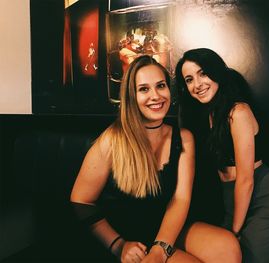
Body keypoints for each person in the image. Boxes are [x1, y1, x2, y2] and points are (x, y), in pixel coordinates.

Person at [71, 55, 241, 263]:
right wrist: (118, 245)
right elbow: (80, 200)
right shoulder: (111, 140)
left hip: (168, 226)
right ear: (131, 95)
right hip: (129, 234)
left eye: (161, 86)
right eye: (144, 89)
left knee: (228, 247)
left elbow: (180, 199)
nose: (156, 96)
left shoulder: (184, 137)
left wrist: (161, 248)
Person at [175, 48, 269, 263]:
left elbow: (246, 179)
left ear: (216, 73)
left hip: (266, 199)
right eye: (189, 79)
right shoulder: (208, 114)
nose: (197, 84)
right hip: (233, 198)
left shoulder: (238, 112)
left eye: (203, 73)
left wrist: (234, 229)